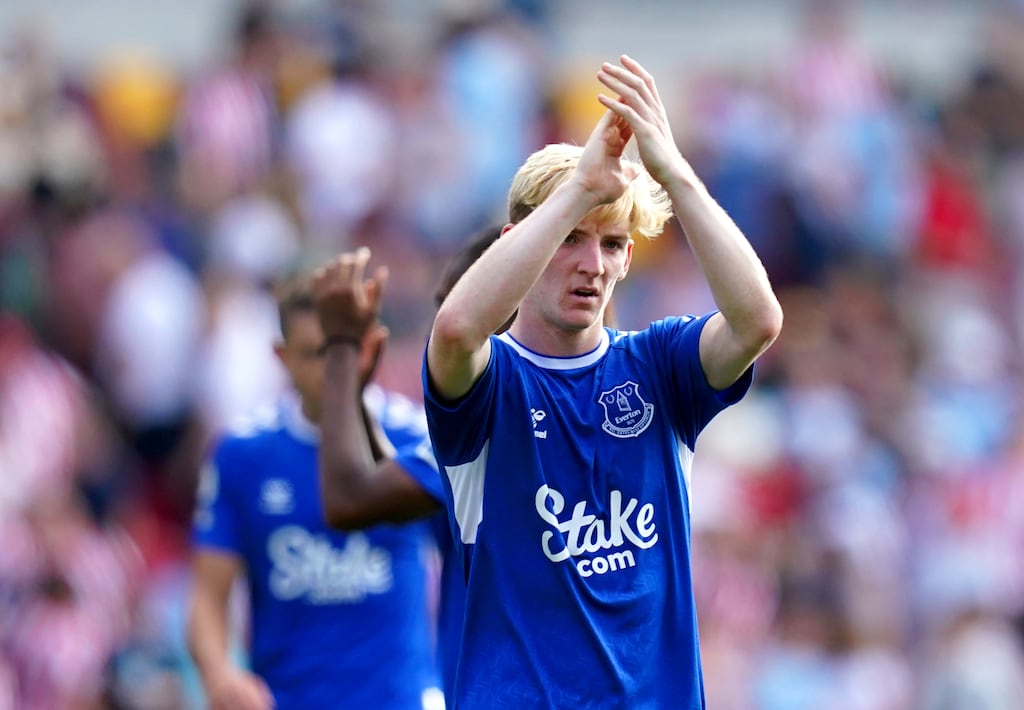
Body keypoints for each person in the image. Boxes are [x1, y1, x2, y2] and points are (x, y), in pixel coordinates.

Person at [422, 54, 784, 707]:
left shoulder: (660, 366)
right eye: (571, 239)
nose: (593, 265)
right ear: (523, 240)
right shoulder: (490, 383)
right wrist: (580, 189)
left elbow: (757, 320)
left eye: (614, 244)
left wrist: (672, 171)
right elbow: (454, 332)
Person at [187, 270, 444, 710]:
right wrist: (220, 675)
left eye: (340, 351)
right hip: (287, 699)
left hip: (401, 698)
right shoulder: (243, 455)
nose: (331, 371)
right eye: (313, 354)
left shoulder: (416, 439)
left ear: (369, 347)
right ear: (281, 356)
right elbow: (209, 596)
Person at [310, 226, 504, 704]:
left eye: (449, 310)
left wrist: (338, 348)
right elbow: (395, 482)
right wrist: (354, 393)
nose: (435, 332)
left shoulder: (491, 432)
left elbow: (349, 498)